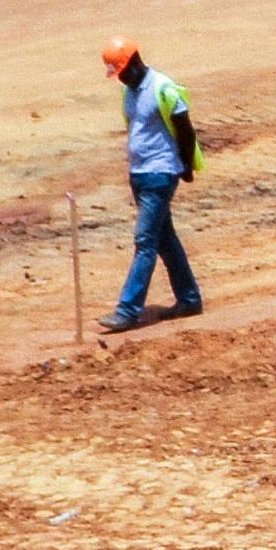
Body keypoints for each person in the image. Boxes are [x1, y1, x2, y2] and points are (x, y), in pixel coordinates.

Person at [98, 37, 201, 332]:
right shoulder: (128, 93)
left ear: (134, 62)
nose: (120, 78)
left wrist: (186, 166)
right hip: (140, 174)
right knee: (164, 239)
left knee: (145, 241)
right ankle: (190, 299)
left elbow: (185, 130)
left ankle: (127, 310)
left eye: (121, 71)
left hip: (161, 174)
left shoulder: (163, 88)